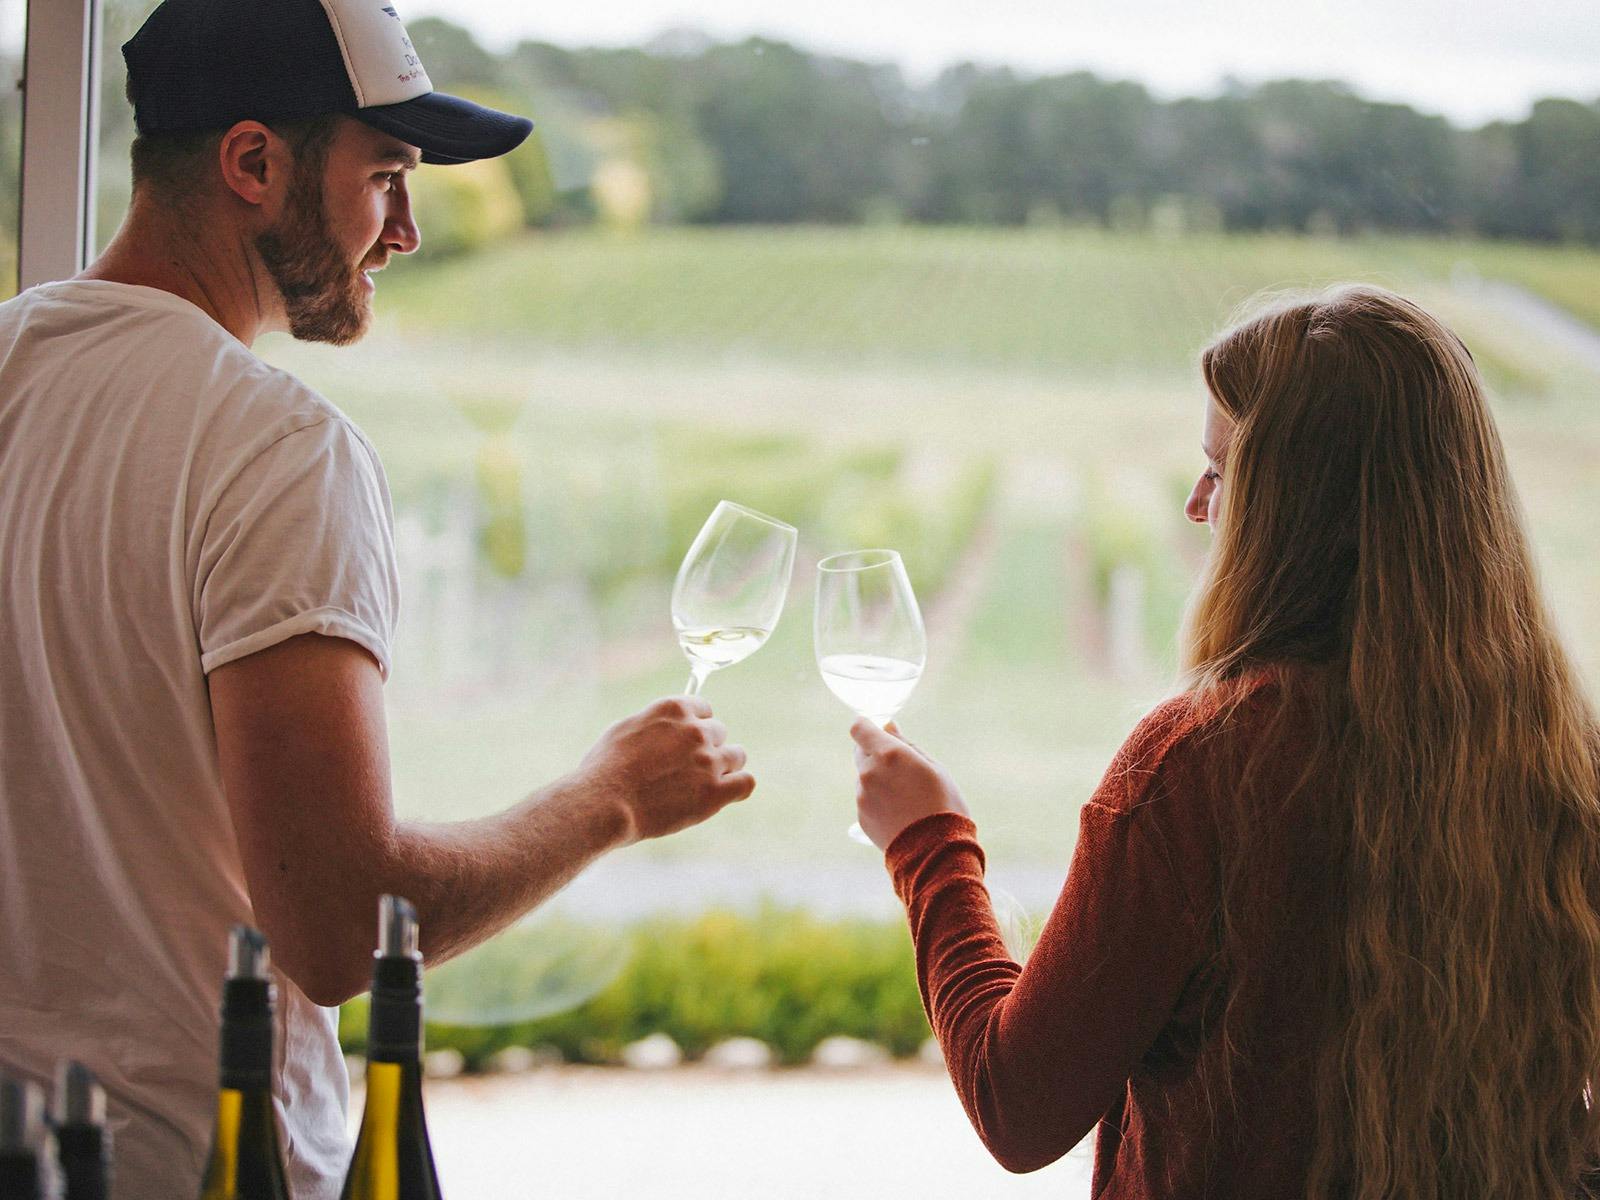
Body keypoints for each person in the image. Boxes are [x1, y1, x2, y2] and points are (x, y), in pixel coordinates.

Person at [0, 1, 755, 1197]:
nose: (402, 230)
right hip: (190, 1163)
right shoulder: (275, 447)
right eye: (386, 176)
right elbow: (343, 922)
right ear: (253, 162)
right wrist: (608, 800)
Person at [852, 285, 1600, 1196]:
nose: (1199, 508)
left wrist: (929, 844)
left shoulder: (1201, 768)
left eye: (1224, 470)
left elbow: (1020, 1106)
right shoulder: (1563, 756)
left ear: (1296, 509)